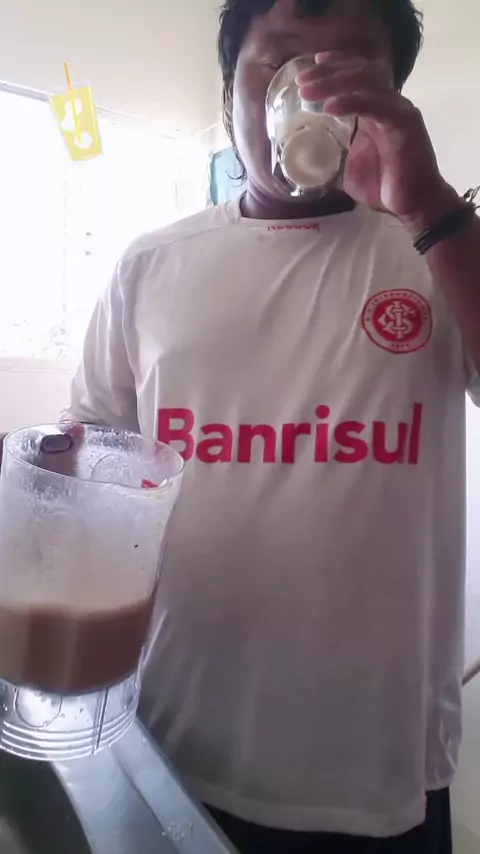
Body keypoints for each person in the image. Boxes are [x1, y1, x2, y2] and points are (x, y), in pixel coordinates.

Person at [35, 0, 480, 851]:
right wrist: (44, 468)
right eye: (278, 63)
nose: (310, 90)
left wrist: (430, 209)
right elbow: (94, 448)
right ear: (229, 90)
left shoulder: (440, 249)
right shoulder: (151, 265)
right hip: (178, 737)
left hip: (375, 773)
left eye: (352, 67)